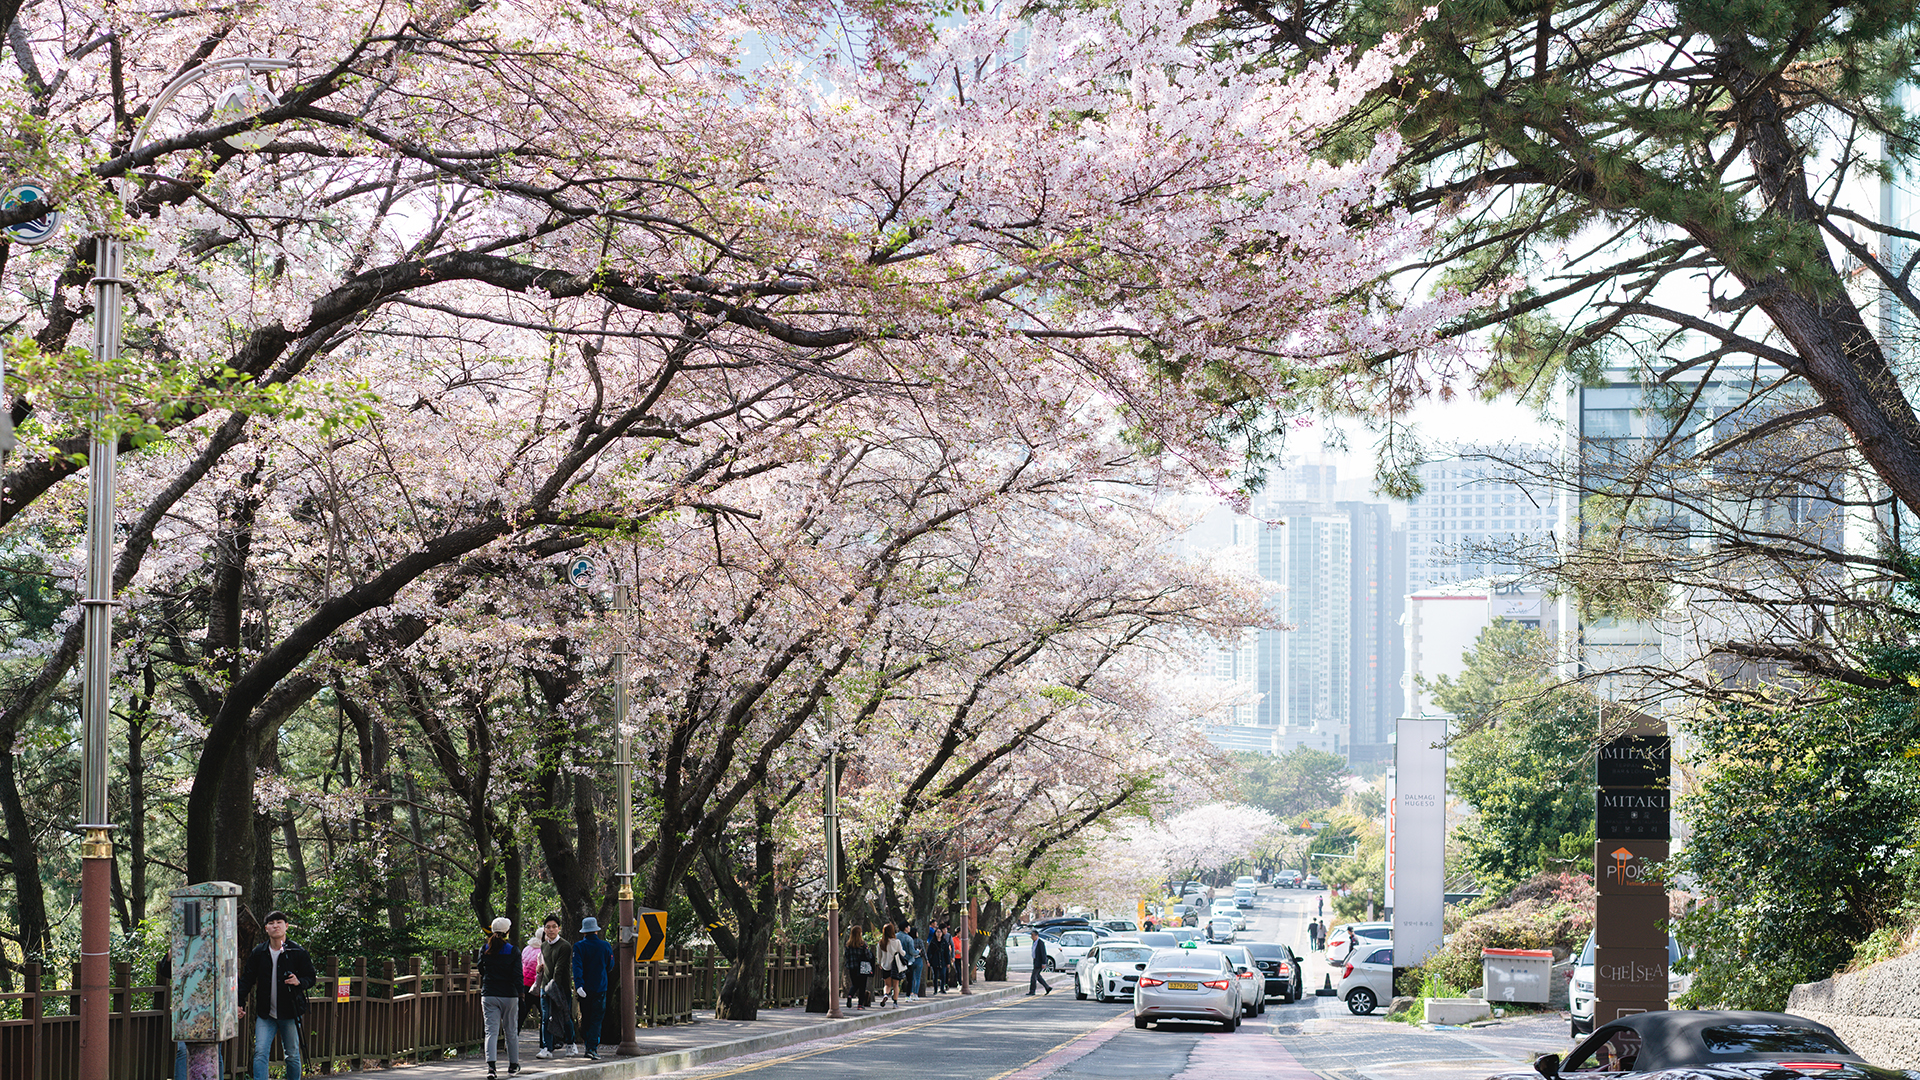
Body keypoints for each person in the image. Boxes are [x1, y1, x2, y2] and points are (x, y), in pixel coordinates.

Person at [236, 910, 317, 1080]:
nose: (275, 926)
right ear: (266, 928)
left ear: (286, 926)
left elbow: (311, 977)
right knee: (260, 1053)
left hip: (290, 1012)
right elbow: (247, 979)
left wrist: (299, 981)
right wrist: (239, 1002)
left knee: (292, 1054)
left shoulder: (297, 951)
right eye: (271, 923)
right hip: (266, 1014)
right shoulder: (259, 952)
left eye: (279, 922)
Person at [475, 917, 522, 1077]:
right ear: (507, 932)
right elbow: (517, 975)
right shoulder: (513, 950)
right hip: (509, 994)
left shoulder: (485, 949)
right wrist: (520, 992)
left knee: (491, 1031)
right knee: (511, 1031)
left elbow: (481, 969)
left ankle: (491, 1068)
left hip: (489, 994)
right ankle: (513, 1065)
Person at [573, 916, 614, 1060]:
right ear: (596, 931)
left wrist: (579, 985)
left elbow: (577, 967)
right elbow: (610, 966)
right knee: (597, 1019)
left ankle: (587, 1045)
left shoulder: (578, 947)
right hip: (600, 987)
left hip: (584, 988)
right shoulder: (605, 946)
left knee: (586, 1017)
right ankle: (592, 1048)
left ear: (584, 932)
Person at [536, 916, 576, 1059]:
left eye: (554, 926)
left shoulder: (565, 946)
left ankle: (571, 1043)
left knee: (565, 1017)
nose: (551, 929)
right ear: (544, 929)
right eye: (548, 927)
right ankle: (546, 1047)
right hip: (545, 987)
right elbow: (545, 965)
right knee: (546, 1017)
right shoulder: (544, 945)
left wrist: (552, 987)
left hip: (561, 988)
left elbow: (559, 969)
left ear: (559, 928)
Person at [843, 927, 874, 1010]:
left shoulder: (848, 944)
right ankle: (860, 1005)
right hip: (862, 967)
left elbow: (846, 955)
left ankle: (850, 995)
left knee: (855, 984)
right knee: (862, 986)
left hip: (852, 967)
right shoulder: (863, 944)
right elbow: (868, 956)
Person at [876, 924, 906, 1007]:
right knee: (896, 985)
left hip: (885, 966)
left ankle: (885, 994)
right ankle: (895, 1002)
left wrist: (879, 963)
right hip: (895, 966)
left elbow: (879, 956)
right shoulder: (896, 942)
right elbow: (902, 953)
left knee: (887, 984)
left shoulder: (881, 943)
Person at [899, 922, 922, 1001]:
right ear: (905, 928)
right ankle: (908, 996)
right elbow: (912, 951)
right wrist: (918, 952)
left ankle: (894, 994)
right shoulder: (909, 938)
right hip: (908, 961)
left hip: (897, 960)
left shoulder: (896, 936)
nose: (909, 928)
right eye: (908, 926)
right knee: (910, 979)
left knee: (897, 979)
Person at [925, 923, 950, 995]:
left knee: (943, 975)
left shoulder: (944, 942)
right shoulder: (932, 942)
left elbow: (947, 953)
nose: (939, 934)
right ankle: (935, 989)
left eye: (940, 932)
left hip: (943, 961)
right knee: (935, 976)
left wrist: (948, 962)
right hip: (935, 961)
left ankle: (942, 988)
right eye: (937, 932)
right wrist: (929, 961)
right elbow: (929, 952)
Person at [1026, 931, 1052, 995]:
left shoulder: (1040, 943)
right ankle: (1047, 987)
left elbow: (1043, 953)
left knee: (1033, 977)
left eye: (1033, 935)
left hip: (1039, 962)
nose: (1032, 937)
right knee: (1038, 976)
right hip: (1035, 961)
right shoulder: (1034, 942)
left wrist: (1044, 963)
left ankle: (1032, 991)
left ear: (1037, 935)